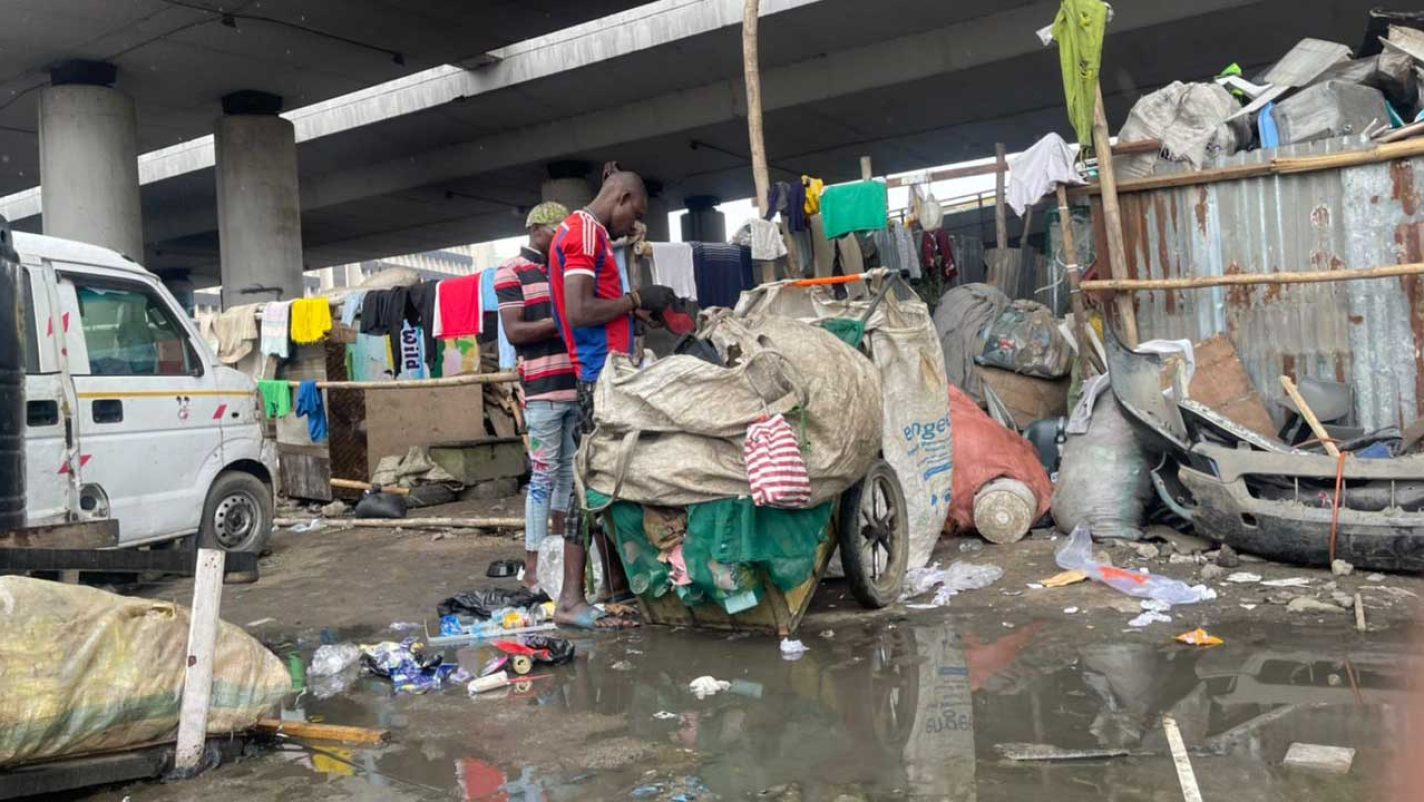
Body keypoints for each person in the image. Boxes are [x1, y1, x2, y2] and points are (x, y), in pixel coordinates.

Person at [547, 170, 677, 629]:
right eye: (635, 215)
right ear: (621, 198)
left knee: (606, 479)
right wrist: (635, 297)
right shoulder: (584, 234)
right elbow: (580, 310)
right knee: (589, 485)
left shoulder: (589, 233)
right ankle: (570, 599)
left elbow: (597, 306)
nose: (633, 226)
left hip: (606, 372)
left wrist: (637, 312)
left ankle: (615, 584)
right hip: (597, 379)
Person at [494, 201, 574, 592]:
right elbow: (515, 332)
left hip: (574, 390)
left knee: (566, 478)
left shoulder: (563, 270)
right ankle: (533, 567)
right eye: (558, 230)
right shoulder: (511, 272)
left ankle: (558, 561)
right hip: (542, 393)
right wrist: (564, 320)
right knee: (542, 479)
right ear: (539, 230)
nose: (563, 238)